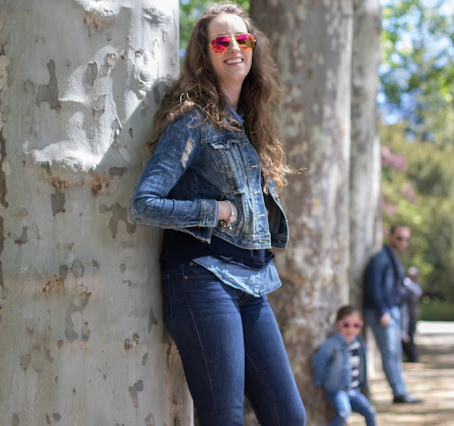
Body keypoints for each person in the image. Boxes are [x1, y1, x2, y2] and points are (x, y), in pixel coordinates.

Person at [128, 3, 305, 424]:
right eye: (221, 42)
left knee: (288, 416)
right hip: (201, 278)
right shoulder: (192, 122)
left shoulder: (251, 125)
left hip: (253, 282)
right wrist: (215, 210)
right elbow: (143, 203)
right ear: (204, 54)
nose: (234, 49)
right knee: (223, 418)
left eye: (242, 40)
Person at [363, 224, 423, 404]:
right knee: (390, 353)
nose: (403, 242)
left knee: (395, 353)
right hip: (383, 313)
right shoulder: (380, 258)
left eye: (406, 239)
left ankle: (401, 391)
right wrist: (382, 311)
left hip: (393, 312)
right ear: (390, 237)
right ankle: (399, 393)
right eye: (399, 238)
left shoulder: (394, 258)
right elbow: (372, 287)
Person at [312, 306, 376, 426]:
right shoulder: (331, 344)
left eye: (356, 325)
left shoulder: (359, 343)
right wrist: (319, 382)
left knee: (370, 412)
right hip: (337, 390)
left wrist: (364, 384)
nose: (351, 330)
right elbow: (318, 362)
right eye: (346, 325)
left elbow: (362, 365)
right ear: (338, 324)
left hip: (354, 390)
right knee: (343, 412)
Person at [401, 266, 423, 362]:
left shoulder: (411, 286)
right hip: (407, 314)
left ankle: (412, 356)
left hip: (411, 314)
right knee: (407, 336)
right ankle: (410, 356)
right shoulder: (408, 285)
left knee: (409, 335)